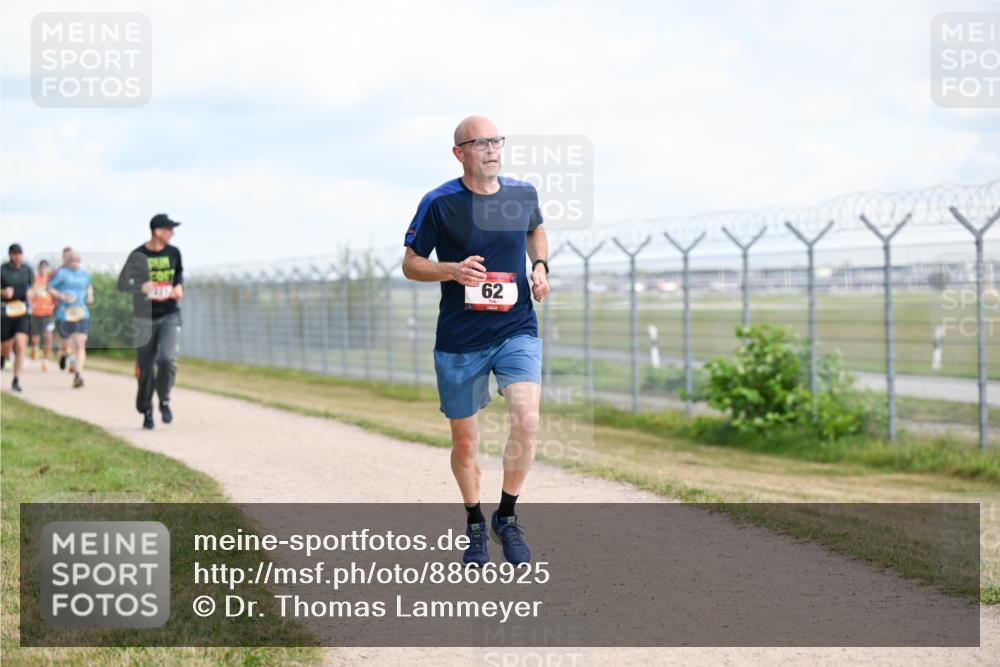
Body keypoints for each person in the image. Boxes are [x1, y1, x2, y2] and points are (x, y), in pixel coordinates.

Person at [401, 116, 550, 566]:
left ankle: (507, 516)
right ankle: (473, 523)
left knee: (527, 419)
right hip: (460, 338)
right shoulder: (439, 202)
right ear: (459, 152)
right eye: (479, 142)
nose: (491, 149)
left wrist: (540, 267)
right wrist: (451, 269)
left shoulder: (522, 193)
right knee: (465, 442)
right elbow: (410, 263)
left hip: (515, 329)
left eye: (496, 141)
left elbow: (535, 230)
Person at [117, 213, 184, 430]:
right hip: (144, 317)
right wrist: (141, 287)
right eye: (169, 229)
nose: (172, 233)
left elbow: (179, 276)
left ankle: (164, 399)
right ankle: (146, 409)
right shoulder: (138, 255)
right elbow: (122, 283)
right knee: (145, 367)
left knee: (167, 359)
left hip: (169, 314)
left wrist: (178, 288)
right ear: (157, 231)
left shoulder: (174, 253)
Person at [46, 250, 93, 388]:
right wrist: (62, 296)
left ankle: (78, 375)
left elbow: (89, 286)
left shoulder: (85, 274)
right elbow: (50, 288)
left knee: (80, 343)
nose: (75, 262)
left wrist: (90, 295)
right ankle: (64, 355)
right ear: (68, 261)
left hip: (81, 312)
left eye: (78, 260)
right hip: (64, 313)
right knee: (66, 345)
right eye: (72, 260)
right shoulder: (61, 273)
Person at [1, 244, 34, 392]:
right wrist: (3, 292)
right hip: (6, 311)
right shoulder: (3, 270)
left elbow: (34, 287)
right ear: (10, 255)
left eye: (19, 253)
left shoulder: (28, 270)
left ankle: (16, 379)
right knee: (6, 346)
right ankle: (4, 356)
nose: (17, 256)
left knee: (21, 344)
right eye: (14, 254)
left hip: (22, 311)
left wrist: (32, 293)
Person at [29, 259, 56, 371]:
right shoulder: (34, 279)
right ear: (39, 268)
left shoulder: (52, 280)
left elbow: (56, 293)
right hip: (35, 312)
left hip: (48, 313)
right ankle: (35, 348)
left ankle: (45, 360)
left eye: (46, 267)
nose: (44, 269)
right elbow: (29, 292)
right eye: (42, 267)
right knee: (35, 338)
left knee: (48, 336)